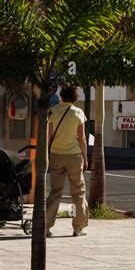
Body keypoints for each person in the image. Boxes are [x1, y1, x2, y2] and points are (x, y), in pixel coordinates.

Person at [46, 85, 89, 237]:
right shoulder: (78, 112)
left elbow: (49, 136)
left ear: (61, 97)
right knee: (78, 191)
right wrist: (85, 157)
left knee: (55, 191)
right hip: (74, 155)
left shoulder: (53, 111)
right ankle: (78, 227)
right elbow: (82, 138)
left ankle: (46, 226)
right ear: (75, 98)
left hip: (56, 154)